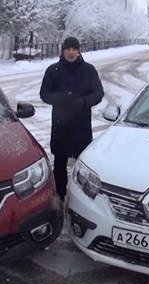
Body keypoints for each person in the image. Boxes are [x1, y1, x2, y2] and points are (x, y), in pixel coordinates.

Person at [39, 36, 104, 201]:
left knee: (83, 164)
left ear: (79, 51)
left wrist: (83, 102)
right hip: (60, 125)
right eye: (68, 49)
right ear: (63, 50)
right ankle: (59, 196)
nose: (71, 52)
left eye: (74, 49)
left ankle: (82, 199)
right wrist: (60, 99)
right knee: (59, 164)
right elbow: (44, 93)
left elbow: (98, 93)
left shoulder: (89, 70)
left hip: (81, 125)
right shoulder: (53, 70)